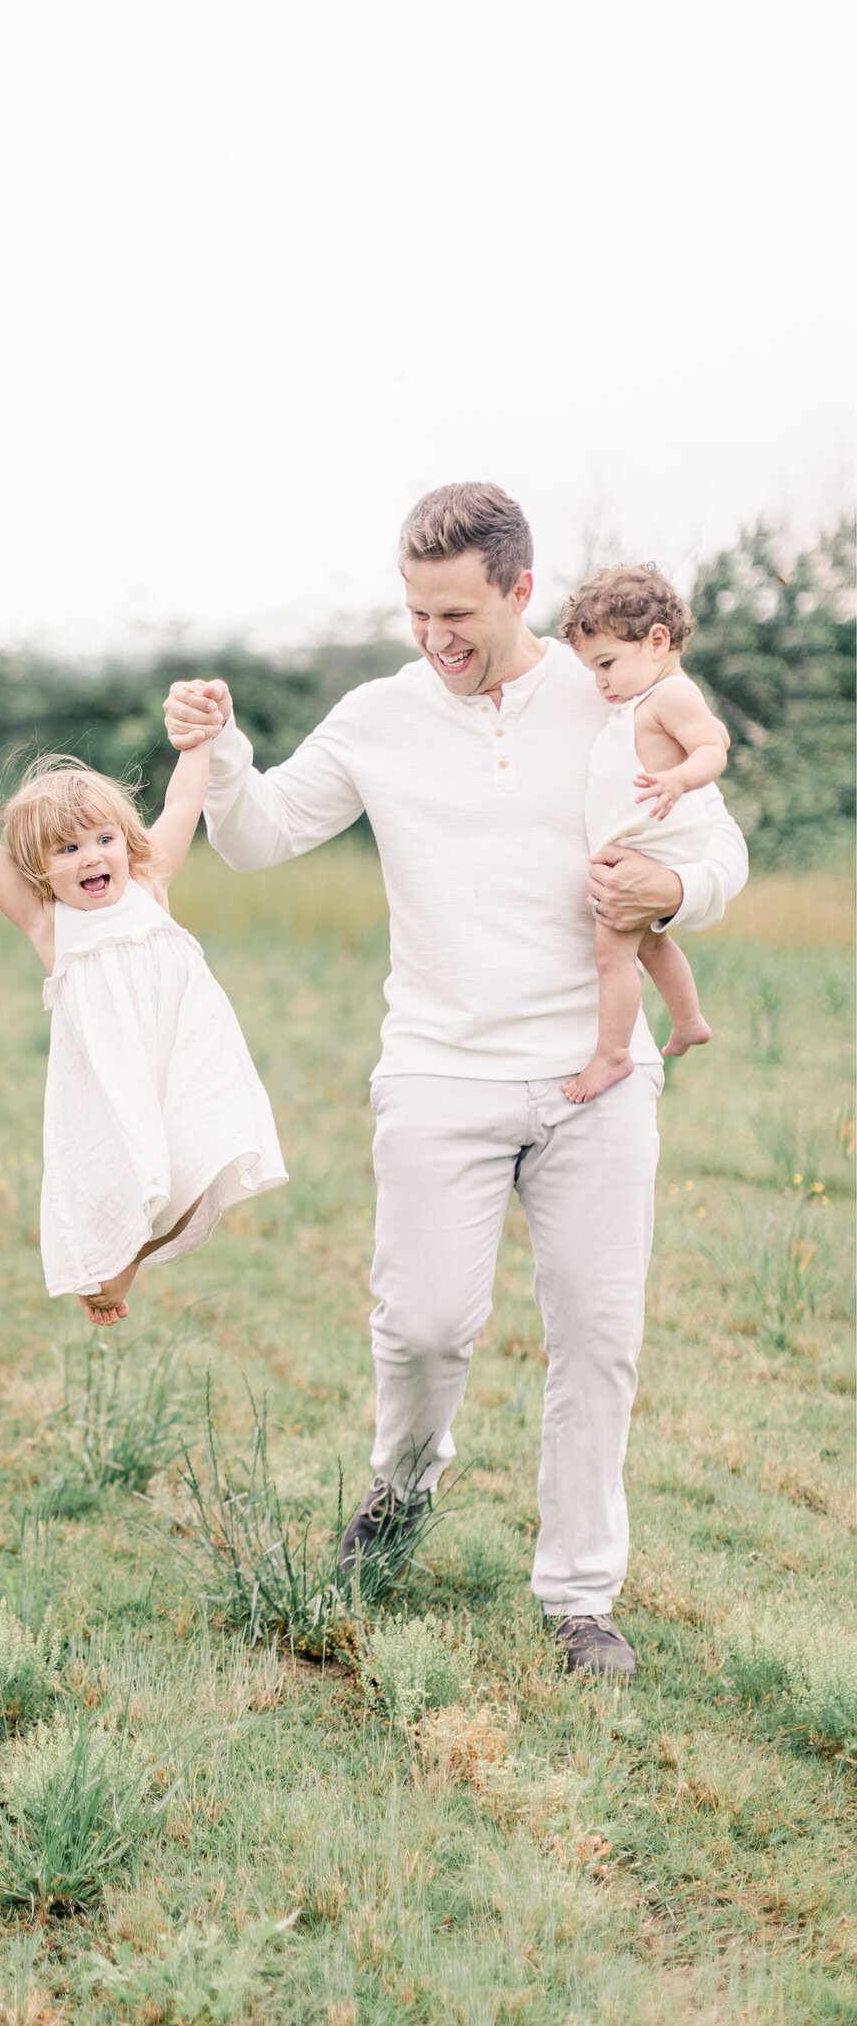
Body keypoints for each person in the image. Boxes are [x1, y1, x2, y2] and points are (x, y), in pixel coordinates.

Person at [164, 483, 748, 1677]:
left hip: (598, 1073)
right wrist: (218, 750)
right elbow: (258, 833)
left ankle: (580, 1599)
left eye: (458, 615)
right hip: (436, 1069)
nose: (436, 640)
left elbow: (717, 849)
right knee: (423, 1327)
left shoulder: (608, 693)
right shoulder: (380, 715)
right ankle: (401, 1489)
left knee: (598, 1333)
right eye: (417, 614)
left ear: (519, 592)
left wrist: (675, 896)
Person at [0, 738, 285, 1324]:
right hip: (113, 1081)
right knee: (124, 1180)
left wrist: (198, 744)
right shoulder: (48, 923)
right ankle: (112, 1274)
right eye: (67, 849)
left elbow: (182, 804)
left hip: (183, 1057)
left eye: (103, 840)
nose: (91, 857)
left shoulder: (150, 885)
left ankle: (135, 1253)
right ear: (40, 868)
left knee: (206, 1149)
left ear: (125, 842)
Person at [557, 564, 729, 1103]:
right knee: (651, 943)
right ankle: (688, 1019)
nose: (600, 681)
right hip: (641, 846)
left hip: (653, 846)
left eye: (606, 663)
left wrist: (679, 778)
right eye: (592, 669)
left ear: (657, 641)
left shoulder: (670, 696)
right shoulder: (638, 701)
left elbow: (714, 745)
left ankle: (612, 1055)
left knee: (612, 954)